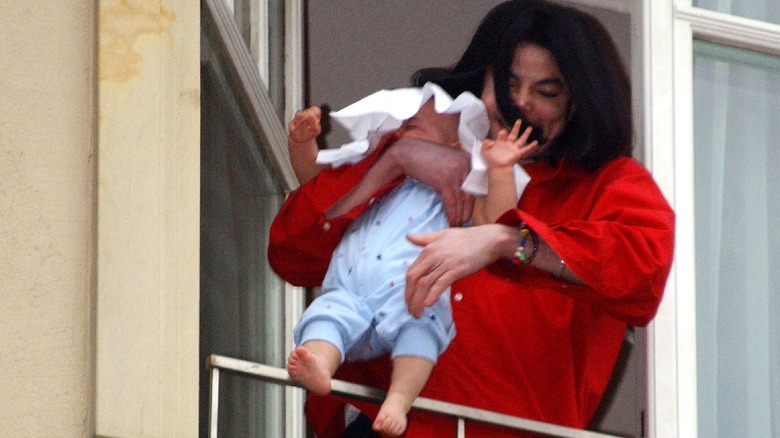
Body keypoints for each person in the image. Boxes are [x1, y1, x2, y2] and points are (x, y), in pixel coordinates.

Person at [269, 1, 675, 436]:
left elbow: (640, 272)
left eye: (547, 92)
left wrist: (506, 241)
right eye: (507, 82)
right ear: (483, 77)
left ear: (578, 103)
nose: (519, 103)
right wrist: (396, 162)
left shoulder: (607, 184)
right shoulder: (423, 142)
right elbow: (293, 254)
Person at [285, 82, 537, 436]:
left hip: (413, 294)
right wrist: (302, 144)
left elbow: (495, 223)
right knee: (325, 316)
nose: (400, 131)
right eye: (398, 125)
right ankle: (320, 369)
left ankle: (399, 401)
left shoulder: (462, 184)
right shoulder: (377, 176)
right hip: (349, 292)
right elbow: (316, 189)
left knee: (422, 330)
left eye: (413, 124)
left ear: (455, 143)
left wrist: (498, 169)